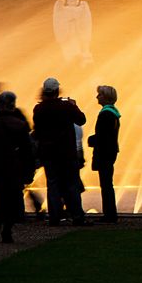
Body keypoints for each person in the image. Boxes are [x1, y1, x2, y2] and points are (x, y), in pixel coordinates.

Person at [33, 77, 89, 226]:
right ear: (57, 91)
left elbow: (37, 131)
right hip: (67, 153)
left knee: (53, 185)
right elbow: (82, 120)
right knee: (72, 184)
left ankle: (54, 217)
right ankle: (77, 216)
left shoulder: (39, 109)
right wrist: (74, 105)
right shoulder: (66, 107)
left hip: (49, 154)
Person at [0, 91, 33, 242]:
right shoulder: (20, 125)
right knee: (11, 200)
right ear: (13, 105)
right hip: (14, 169)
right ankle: (7, 230)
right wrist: (28, 171)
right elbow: (27, 151)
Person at [88, 85, 120, 223]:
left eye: (99, 94)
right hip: (111, 151)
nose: (97, 97)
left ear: (105, 97)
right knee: (107, 183)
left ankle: (110, 215)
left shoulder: (105, 114)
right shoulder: (113, 113)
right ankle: (110, 213)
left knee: (106, 184)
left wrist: (91, 140)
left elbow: (103, 136)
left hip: (105, 153)